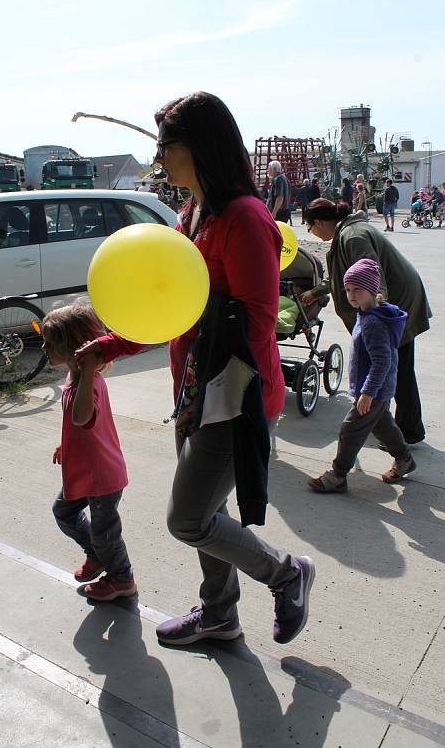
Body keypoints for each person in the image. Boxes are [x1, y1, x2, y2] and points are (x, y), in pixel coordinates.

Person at [76, 91, 315, 647]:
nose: (159, 159)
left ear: (201, 145)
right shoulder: (193, 214)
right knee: (210, 508)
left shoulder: (246, 219)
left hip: (235, 397)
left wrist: (239, 413)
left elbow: (258, 322)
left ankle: (286, 573)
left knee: (187, 519)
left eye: (167, 147)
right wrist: (109, 346)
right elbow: (169, 308)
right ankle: (219, 614)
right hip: (194, 393)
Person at [301, 198, 431, 445]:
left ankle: (406, 432)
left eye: (310, 229)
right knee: (398, 366)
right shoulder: (346, 235)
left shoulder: (353, 237)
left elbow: (374, 276)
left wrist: (379, 317)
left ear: (318, 222)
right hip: (395, 298)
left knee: (396, 367)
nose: (313, 234)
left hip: (397, 300)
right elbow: (346, 277)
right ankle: (402, 429)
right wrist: (315, 293)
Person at [42, 303, 137, 602]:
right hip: (86, 468)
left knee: (105, 533)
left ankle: (122, 579)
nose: (43, 347)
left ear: (72, 348)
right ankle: (95, 555)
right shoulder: (75, 377)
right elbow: (80, 425)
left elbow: (82, 416)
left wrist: (87, 371)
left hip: (102, 475)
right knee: (65, 512)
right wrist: (66, 444)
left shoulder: (88, 381)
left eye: (50, 341)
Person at [309, 259, 416, 492]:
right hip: (376, 388)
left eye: (358, 289)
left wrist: (367, 393)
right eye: (348, 290)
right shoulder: (366, 313)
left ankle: (338, 476)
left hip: (373, 389)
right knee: (383, 427)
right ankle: (405, 459)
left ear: (373, 289)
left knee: (350, 431)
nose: (352, 295)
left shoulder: (373, 323)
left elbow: (381, 361)